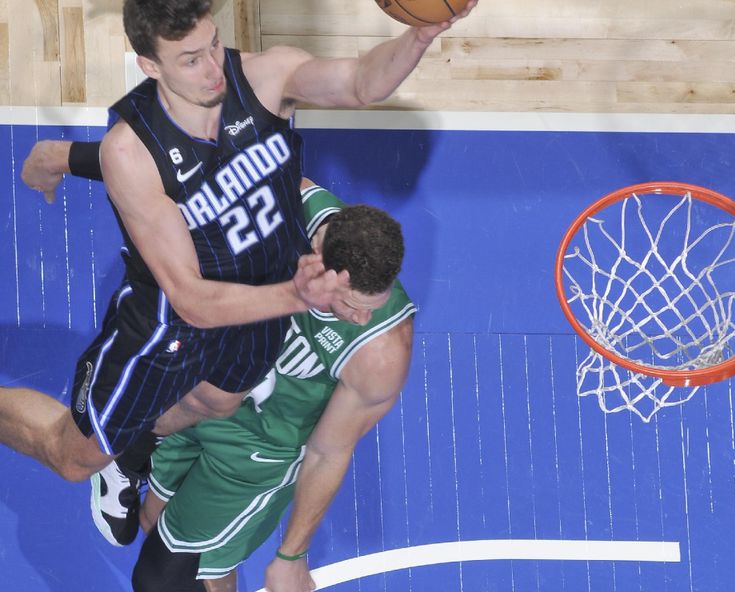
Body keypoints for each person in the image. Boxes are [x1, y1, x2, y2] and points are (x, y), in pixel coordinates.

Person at [8, 0, 475, 548]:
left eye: (212, 45)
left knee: (218, 400)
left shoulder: (264, 75)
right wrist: (296, 295)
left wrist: (419, 35)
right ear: (149, 66)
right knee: (72, 457)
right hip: (169, 324)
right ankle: (109, 451)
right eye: (189, 60)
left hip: (263, 303)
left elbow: (361, 84)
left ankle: (132, 451)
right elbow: (192, 301)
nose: (212, 69)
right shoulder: (128, 153)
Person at [133, 180, 415, 592]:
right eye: (352, 304)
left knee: (167, 581)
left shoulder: (380, 351)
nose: (359, 318)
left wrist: (291, 555)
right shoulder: (289, 204)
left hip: (258, 451)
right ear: (318, 257)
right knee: (152, 519)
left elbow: (328, 452)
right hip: (204, 390)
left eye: (373, 304)